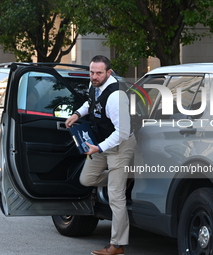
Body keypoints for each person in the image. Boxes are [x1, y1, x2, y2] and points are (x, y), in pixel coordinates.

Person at [65, 55, 136, 255]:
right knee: (86, 178)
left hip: (120, 145)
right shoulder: (94, 84)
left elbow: (122, 133)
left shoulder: (115, 96)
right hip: (102, 143)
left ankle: (117, 245)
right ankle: (123, 176)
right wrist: (77, 114)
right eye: (92, 72)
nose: (94, 77)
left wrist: (99, 148)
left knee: (115, 196)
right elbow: (91, 103)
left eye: (99, 73)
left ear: (108, 73)